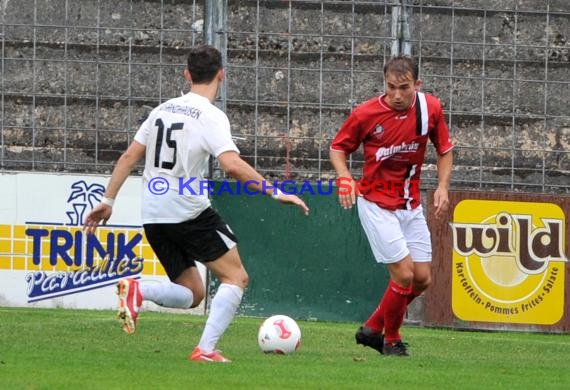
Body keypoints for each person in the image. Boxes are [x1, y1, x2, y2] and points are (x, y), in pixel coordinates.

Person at [83, 44, 309, 363]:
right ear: (222, 75)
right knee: (236, 277)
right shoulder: (211, 117)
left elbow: (129, 156)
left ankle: (138, 290)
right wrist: (275, 191)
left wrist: (107, 200)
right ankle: (205, 349)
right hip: (187, 211)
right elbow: (231, 164)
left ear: (187, 75)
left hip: (154, 214)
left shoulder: (161, 110)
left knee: (193, 293)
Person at [329, 55, 453, 357]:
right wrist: (345, 177)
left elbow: (445, 150)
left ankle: (372, 328)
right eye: (391, 87)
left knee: (422, 279)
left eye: (404, 88)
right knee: (403, 274)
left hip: (409, 204)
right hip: (376, 203)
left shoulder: (430, 108)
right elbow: (337, 148)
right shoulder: (366, 113)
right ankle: (391, 339)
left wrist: (442, 187)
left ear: (417, 85)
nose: (397, 95)